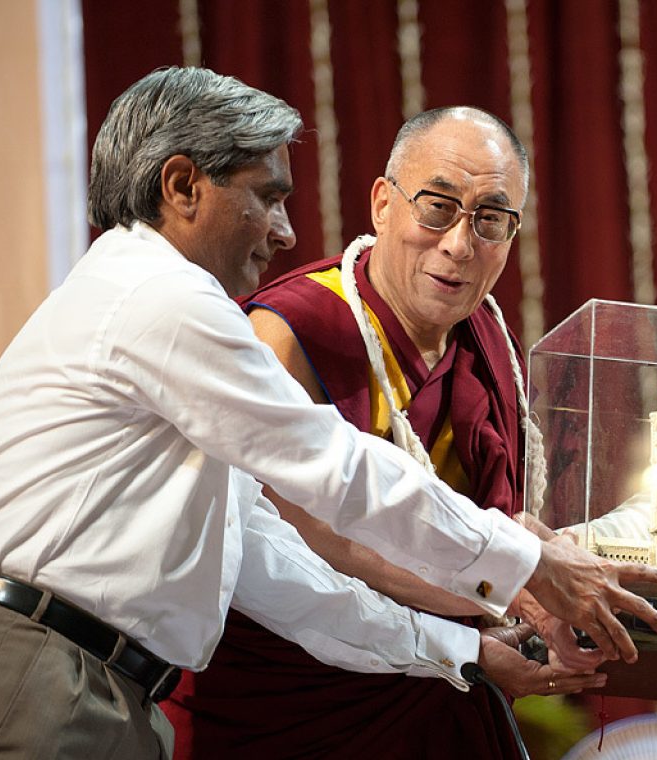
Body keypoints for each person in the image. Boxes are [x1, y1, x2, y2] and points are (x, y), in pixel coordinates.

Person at [0, 68, 657, 758]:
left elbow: (266, 562)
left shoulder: (145, 298)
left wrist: (464, 651)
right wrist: (528, 565)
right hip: (47, 674)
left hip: (102, 687)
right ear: (182, 186)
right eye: (267, 198)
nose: (285, 231)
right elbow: (336, 466)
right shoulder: (162, 299)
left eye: (492, 221)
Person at [164, 106, 602, 758]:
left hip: (450, 684)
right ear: (381, 204)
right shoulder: (290, 333)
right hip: (294, 706)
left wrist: (560, 601)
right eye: (437, 207)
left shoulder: (490, 343)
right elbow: (315, 537)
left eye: (490, 219)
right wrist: (512, 596)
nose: (459, 244)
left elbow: (498, 519)